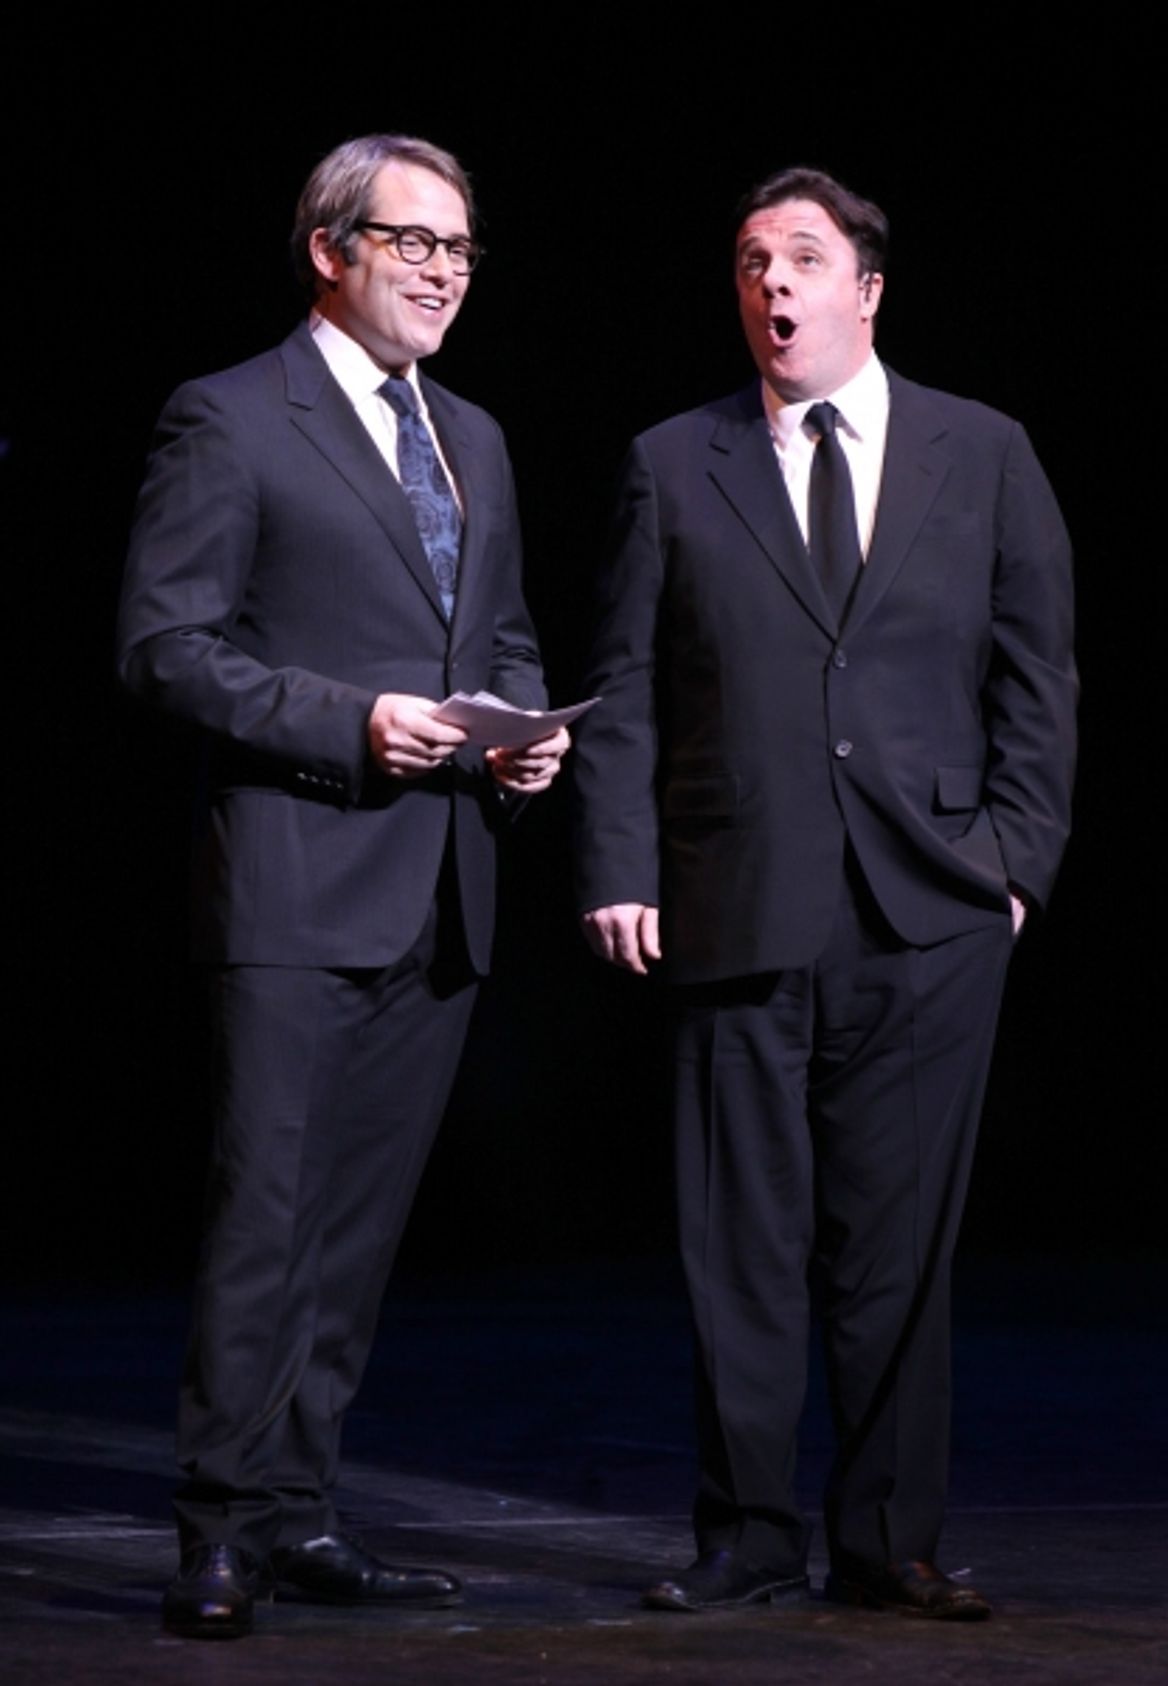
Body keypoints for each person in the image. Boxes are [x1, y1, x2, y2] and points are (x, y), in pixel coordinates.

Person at [574, 166, 1075, 1620]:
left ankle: (889, 1537)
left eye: (799, 257)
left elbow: (1039, 676)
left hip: (931, 908)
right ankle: (743, 1532)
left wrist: (1015, 864)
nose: (768, 284)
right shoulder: (676, 461)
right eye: (746, 260)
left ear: (865, 289)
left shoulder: (983, 452)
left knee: (899, 1247)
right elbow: (620, 689)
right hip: (735, 897)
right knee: (739, 1239)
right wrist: (615, 860)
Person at [118, 133, 569, 1640]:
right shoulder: (233, 419)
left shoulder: (477, 438)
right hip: (299, 884)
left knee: (359, 1233)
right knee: (268, 1217)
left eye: (459, 247)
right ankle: (216, 1530)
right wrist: (351, 721)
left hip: (442, 886)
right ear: (330, 248)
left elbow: (498, 637)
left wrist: (522, 733)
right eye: (412, 241)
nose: (443, 270)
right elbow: (166, 647)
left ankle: (302, 1510)